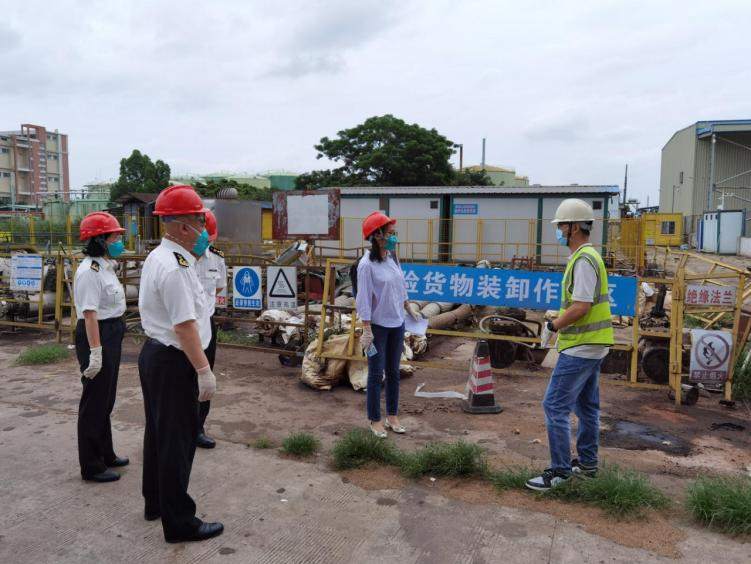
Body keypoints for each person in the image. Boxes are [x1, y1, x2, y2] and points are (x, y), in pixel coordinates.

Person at [138, 184, 223, 543]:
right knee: (177, 441)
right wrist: (204, 370)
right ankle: (179, 522)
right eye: (200, 221)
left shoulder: (164, 257)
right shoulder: (173, 266)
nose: (204, 229)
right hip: (175, 360)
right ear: (184, 226)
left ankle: (156, 501)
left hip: (160, 356)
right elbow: (185, 327)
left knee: (159, 433)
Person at [526, 199, 614, 491]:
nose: (559, 231)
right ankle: (587, 465)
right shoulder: (589, 256)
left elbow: (581, 306)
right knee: (587, 407)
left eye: (561, 225)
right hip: (592, 345)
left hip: (580, 346)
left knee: (554, 405)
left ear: (574, 227)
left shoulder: (583, 260)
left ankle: (560, 472)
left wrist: (554, 325)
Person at [73, 212, 128, 483]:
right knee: (94, 400)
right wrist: (96, 353)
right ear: (100, 239)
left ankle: (106, 453)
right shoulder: (89, 272)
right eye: (115, 237)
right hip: (97, 334)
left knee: (106, 398)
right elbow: (90, 315)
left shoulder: (105, 266)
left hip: (111, 331)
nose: (119, 241)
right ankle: (91, 465)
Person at [355, 211, 419, 438]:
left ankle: (392, 416)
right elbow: (363, 299)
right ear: (377, 235)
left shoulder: (391, 258)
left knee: (393, 372)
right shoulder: (366, 265)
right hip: (378, 327)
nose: (394, 237)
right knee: (375, 374)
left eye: (394, 232)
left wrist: (408, 307)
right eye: (390, 233)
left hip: (397, 324)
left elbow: (399, 286)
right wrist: (366, 328)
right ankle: (375, 419)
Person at [193, 210, 227, 449]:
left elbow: (218, 287)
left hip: (207, 324)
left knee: (206, 379)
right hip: (184, 327)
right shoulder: (180, 259)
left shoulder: (216, 257)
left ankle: (198, 427)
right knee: (183, 379)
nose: (207, 242)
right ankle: (180, 426)